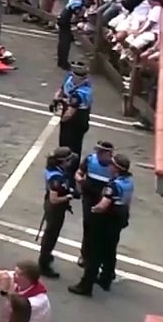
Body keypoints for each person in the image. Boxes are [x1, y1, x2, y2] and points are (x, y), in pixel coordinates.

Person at [70, 152, 133, 297]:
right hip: (118, 219)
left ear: (116, 168)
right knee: (110, 250)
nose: (109, 166)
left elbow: (103, 206)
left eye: (112, 164)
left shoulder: (114, 185)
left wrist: (93, 210)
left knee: (94, 254)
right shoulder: (128, 182)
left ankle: (86, 285)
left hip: (105, 222)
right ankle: (106, 277)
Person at [37, 147, 77, 278]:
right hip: (55, 209)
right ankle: (44, 263)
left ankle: (46, 256)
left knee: (51, 233)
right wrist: (68, 197)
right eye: (69, 160)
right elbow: (54, 199)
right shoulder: (56, 177)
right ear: (63, 162)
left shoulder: (54, 170)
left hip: (53, 206)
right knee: (51, 235)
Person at [52, 63, 92, 156]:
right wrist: (56, 99)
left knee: (73, 146)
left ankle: (69, 165)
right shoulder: (69, 79)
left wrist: (61, 120)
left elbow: (70, 114)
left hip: (77, 120)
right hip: (69, 110)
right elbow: (61, 89)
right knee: (64, 142)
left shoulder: (82, 92)